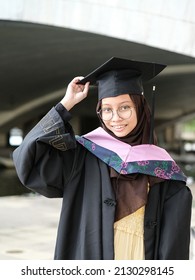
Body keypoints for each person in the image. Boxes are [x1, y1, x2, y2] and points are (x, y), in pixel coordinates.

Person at [13, 57, 192, 260]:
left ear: (140, 108)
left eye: (125, 107)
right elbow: (29, 160)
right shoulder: (82, 155)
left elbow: (174, 246)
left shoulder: (163, 170)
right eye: (107, 109)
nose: (115, 118)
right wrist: (66, 104)